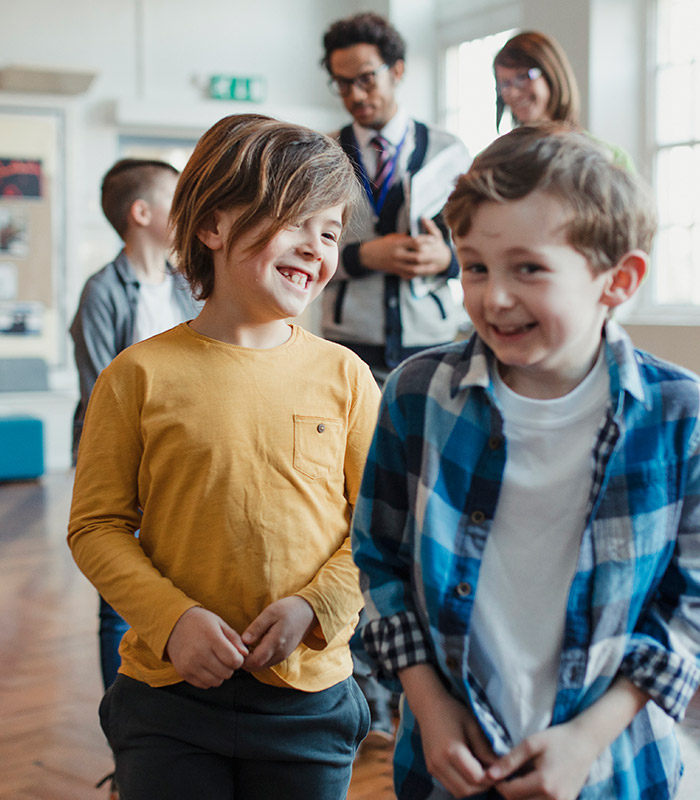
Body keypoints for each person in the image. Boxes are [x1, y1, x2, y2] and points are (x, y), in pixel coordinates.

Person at [352, 123, 700, 800]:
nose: (495, 296)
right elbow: (380, 561)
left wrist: (587, 740)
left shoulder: (678, 414)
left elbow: (691, 602)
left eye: (529, 268)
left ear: (618, 279)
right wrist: (428, 704)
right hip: (447, 764)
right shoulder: (417, 395)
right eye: (476, 266)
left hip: (614, 768)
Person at [67, 113, 380, 800]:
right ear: (211, 226)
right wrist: (170, 618)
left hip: (308, 695)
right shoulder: (137, 374)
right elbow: (96, 526)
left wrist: (316, 607)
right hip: (167, 699)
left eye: (330, 231)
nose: (317, 247)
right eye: (295, 220)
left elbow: (379, 526)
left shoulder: (348, 377)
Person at [70, 158, 201, 696]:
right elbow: (102, 396)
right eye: (176, 195)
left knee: (174, 587)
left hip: (179, 458)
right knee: (119, 604)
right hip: (128, 464)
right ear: (141, 212)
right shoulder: (101, 292)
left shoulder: (185, 286)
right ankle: (122, 739)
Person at [320, 12, 471, 385]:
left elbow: (481, 246)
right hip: (347, 341)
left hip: (430, 340)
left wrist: (448, 259)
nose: (355, 94)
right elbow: (296, 247)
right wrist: (364, 256)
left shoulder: (447, 152)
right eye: (342, 83)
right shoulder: (322, 153)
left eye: (366, 79)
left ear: (397, 70)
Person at [493, 30, 634, 170]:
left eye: (522, 77)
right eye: (504, 83)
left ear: (551, 74)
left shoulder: (612, 159)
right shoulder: (498, 161)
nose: (513, 92)